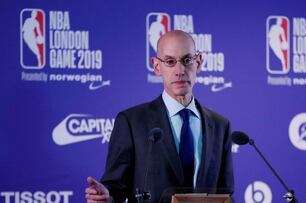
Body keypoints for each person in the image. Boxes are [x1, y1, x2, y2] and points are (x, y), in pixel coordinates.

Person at [85, 30, 234, 203]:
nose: (180, 70)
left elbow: (226, 194)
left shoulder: (220, 125)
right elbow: (115, 187)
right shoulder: (132, 122)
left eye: (187, 60)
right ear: (157, 66)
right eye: (170, 62)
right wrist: (107, 196)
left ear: (198, 63)